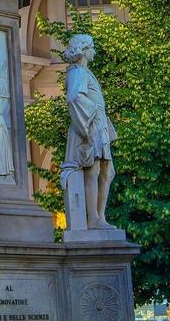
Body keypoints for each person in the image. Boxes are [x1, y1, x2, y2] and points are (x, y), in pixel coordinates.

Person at [63, 33, 117, 229]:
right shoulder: (78, 72)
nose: (94, 50)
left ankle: (100, 217)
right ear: (83, 50)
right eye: (92, 47)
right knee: (92, 170)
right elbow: (74, 97)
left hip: (98, 124)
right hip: (89, 124)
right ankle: (94, 219)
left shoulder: (84, 72)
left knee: (108, 172)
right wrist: (91, 116)